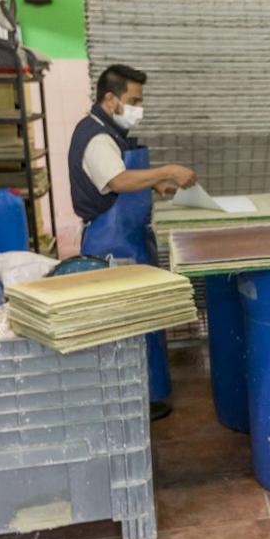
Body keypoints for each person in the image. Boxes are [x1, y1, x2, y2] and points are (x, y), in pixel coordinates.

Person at [67, 64, 195, 419]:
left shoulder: (109, 133)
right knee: (126, 325)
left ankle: (149, 394)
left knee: (144, 320)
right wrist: (167, 171)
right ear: (110, 99)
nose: (139, 107)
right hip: (113, 243)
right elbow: (118, 180)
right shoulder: (96, 137)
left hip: (130, 239)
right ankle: (131, 399)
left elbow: (117, 177)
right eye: (133, 100)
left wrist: (153, 184)